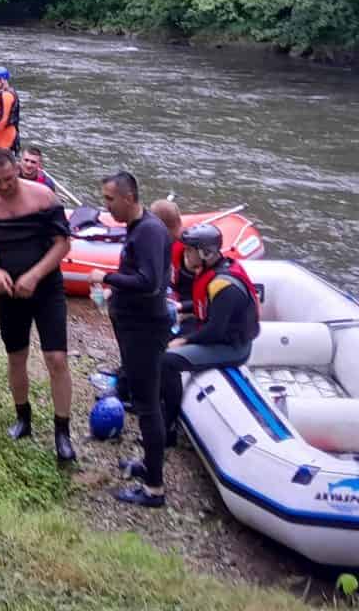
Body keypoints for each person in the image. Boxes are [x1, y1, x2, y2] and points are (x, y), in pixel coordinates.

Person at [0, 148, 77, 463]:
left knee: (56, 358)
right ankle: (23, 418)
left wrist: (35, 275)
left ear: (18, 169)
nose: (4, 186)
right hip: (9, 290)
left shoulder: (44, 198)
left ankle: (62, 432)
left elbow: (62, 244)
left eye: (9, 178)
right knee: (17, 356)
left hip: (46, 287)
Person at [88, 170, 171, 508]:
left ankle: (154, 489)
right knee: (141, 400)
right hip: (134, 325)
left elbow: (149, 282)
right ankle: (149, 466)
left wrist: (107, 277)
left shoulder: (149, 231)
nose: (106, 207)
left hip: (145, 330)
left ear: (128, 197)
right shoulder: (140, 228)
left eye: (110, 199)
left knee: (148, 407)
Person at [158, 222, 260, 449]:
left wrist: (183, 340)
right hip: (219, 335)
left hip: (233, 347)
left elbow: (215, 330)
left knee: (167, 361)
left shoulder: (225, 286)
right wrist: (180, 310)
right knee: (161, 337)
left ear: (206, 253)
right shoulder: (210, 273)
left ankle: (168, 428)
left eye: (190, 250)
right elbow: (202, 306)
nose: (185, 254)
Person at [151, 199, 193, 319]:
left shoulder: (190, 253)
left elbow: (208, 298)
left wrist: (181, 306)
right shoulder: (166, 244)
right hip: (176, 298)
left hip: (188, 308)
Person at [0, 66, 20, 153]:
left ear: (3, 80)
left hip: (6, 135)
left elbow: (4, 119)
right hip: (3, 133)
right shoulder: (5, 94)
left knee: (0, 160)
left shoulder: (6, 95)